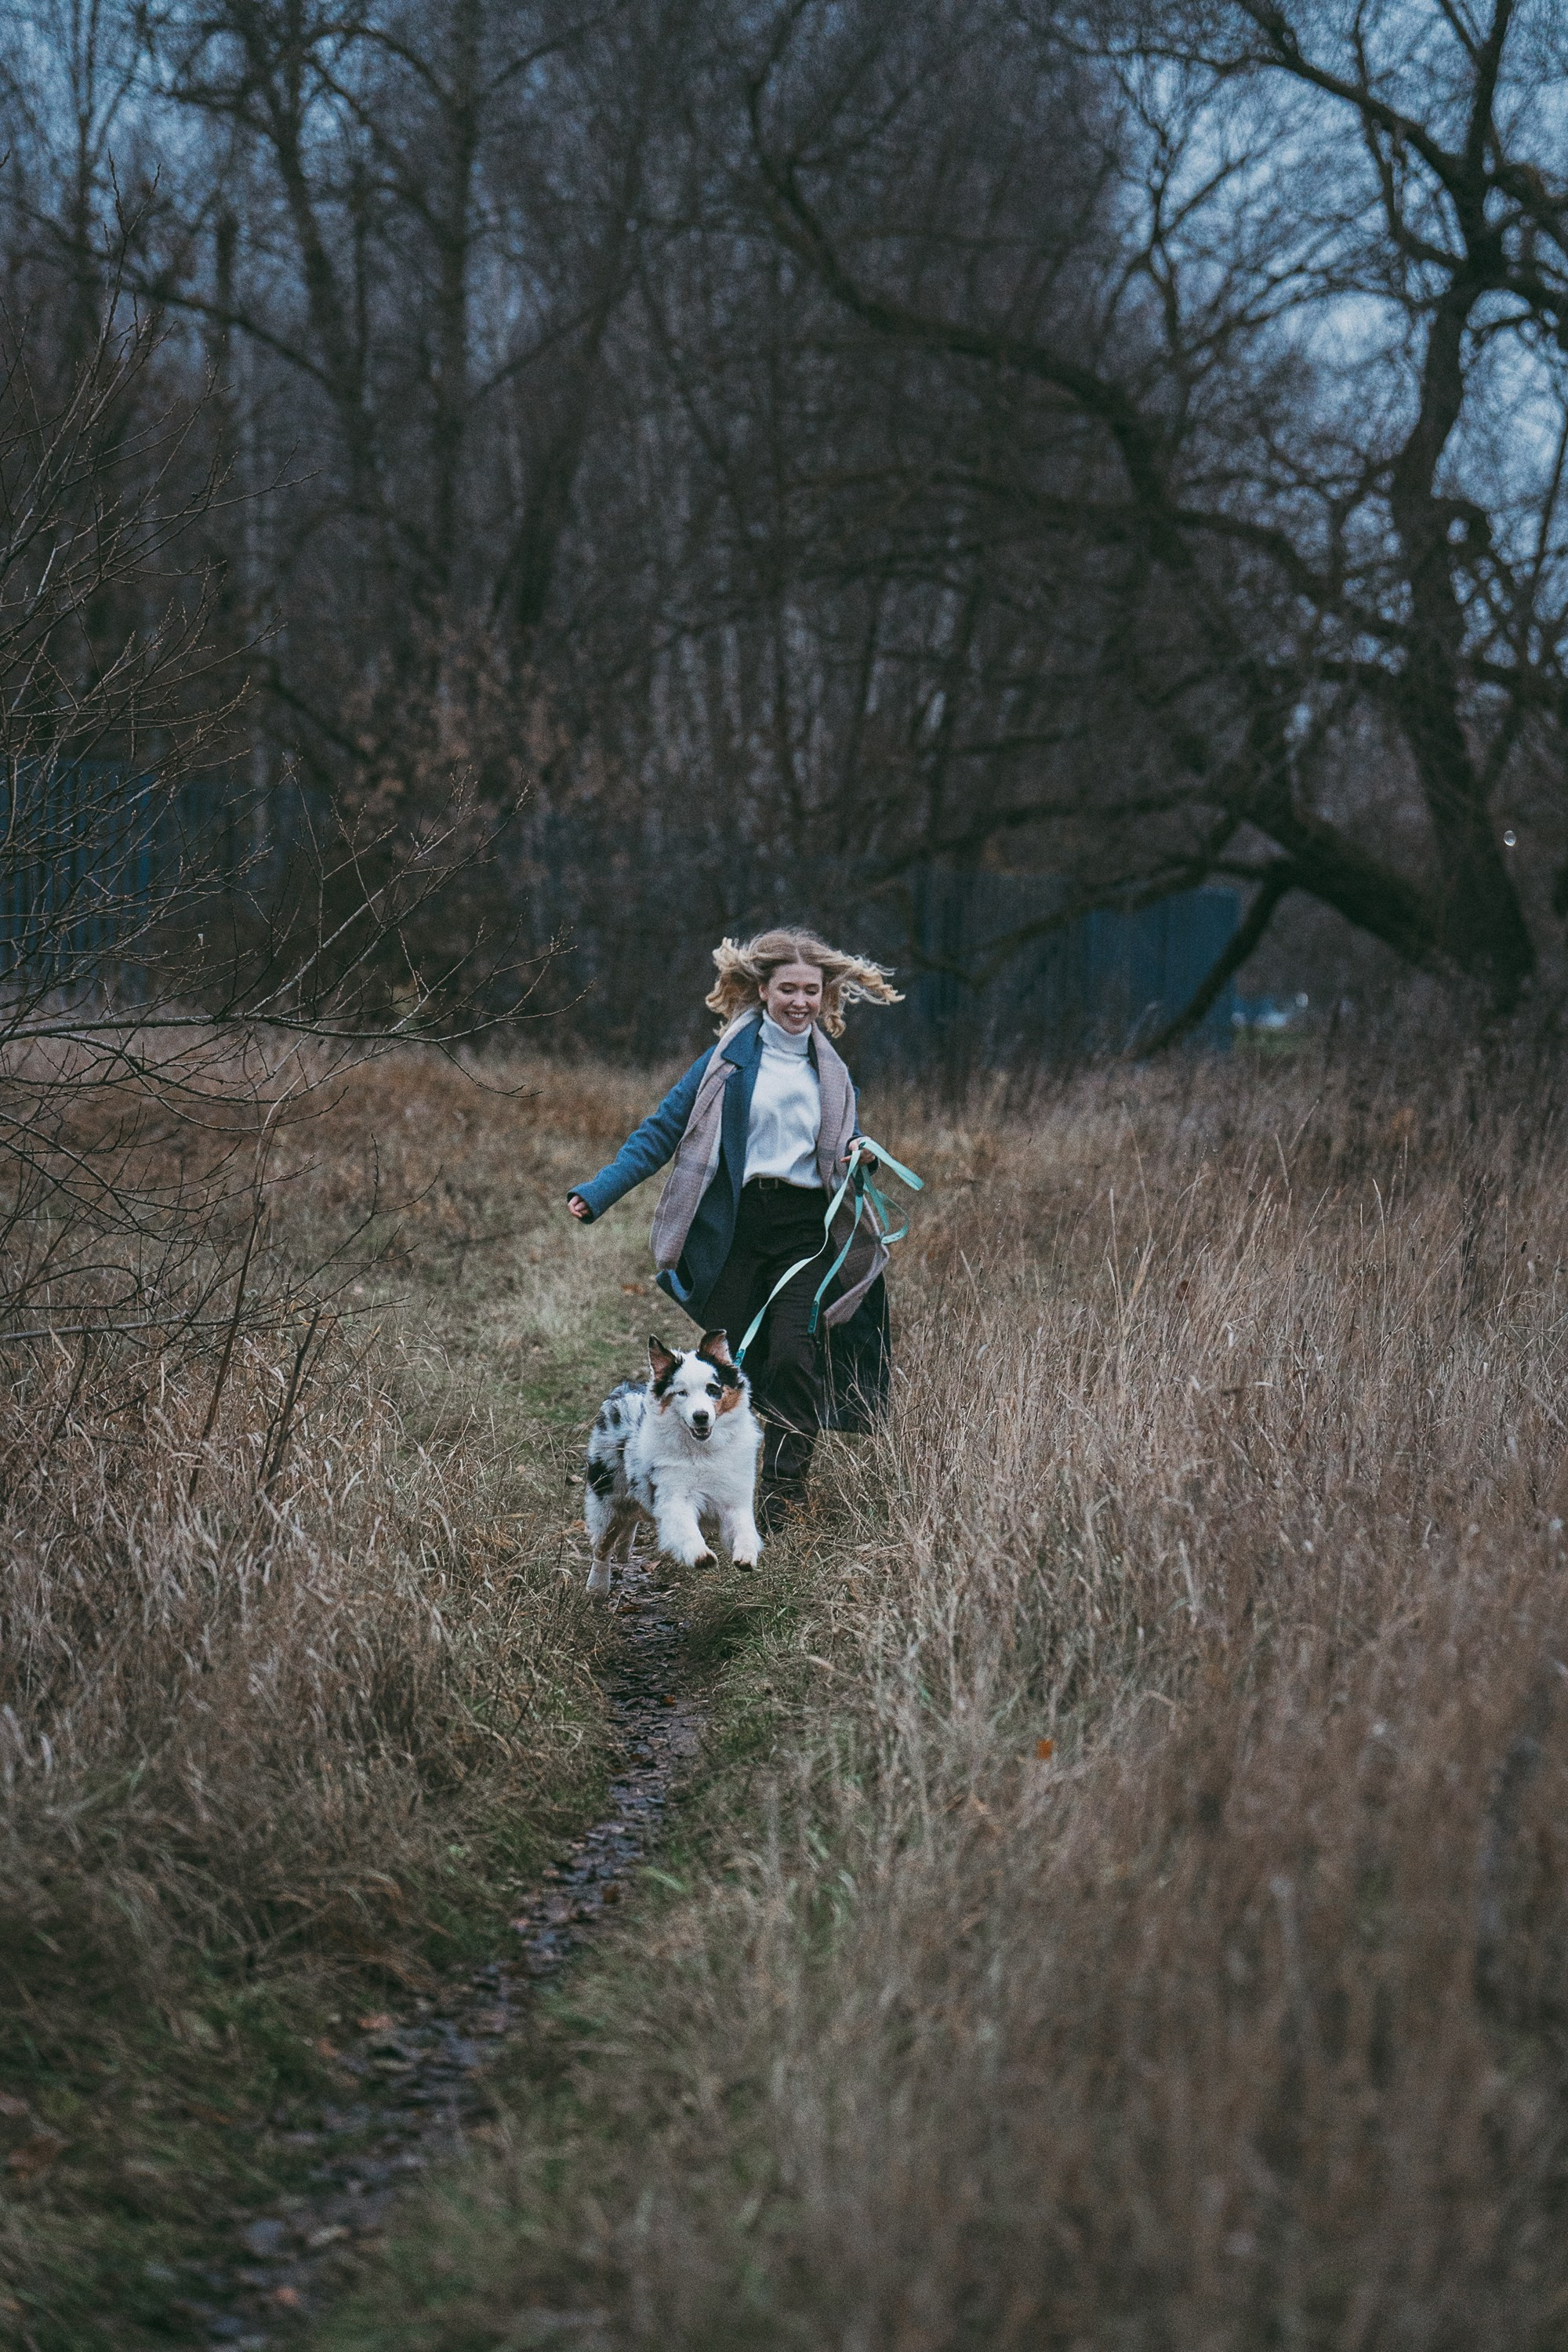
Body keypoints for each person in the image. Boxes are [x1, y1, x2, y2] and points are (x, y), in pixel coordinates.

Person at [567, 928, 903, 1526]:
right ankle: (717, 1482)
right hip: (738, 1232)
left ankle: (779, 1500)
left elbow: (841, 1137)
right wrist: (598, 1193)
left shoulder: (831, 1071)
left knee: (797, 1357)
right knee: (758, 1361)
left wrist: (859, 1152)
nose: (800, 1002)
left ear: (825, 996)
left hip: (806, 1233)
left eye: (811, 991)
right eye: (788, 990)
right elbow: (661, 1131)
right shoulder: (728, 1063)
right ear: (762, 990)